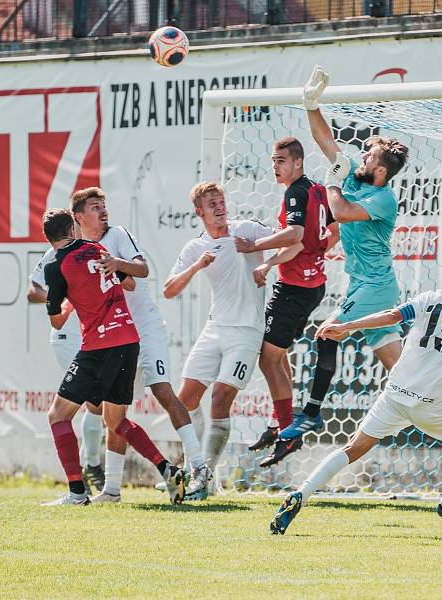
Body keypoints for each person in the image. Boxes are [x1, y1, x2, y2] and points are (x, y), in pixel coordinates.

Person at [270, 251, 442, 535]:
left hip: (395, 394)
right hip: (431, 406)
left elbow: (391, 315)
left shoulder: (429, 297)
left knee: (353, 448)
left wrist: (347, 326)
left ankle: (300, 495)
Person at [275, 65, 409, 449]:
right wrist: (311, 104)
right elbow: (325, 142)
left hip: (375, 288)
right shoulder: (355, 174)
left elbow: (342, 211)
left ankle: (312, 413)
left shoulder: (382, 198)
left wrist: (332, 181)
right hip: (365, 285)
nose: (361, 157)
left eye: (368, 157)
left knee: (326, 332)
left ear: (380, 171)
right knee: (401, 374)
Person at [164, 182, 303, 498]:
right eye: (211, 203)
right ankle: (197, 471)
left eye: (221, 200)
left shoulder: (248, 230)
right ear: (199, 212)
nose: (219, 206)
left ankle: (204, 477)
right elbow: (169, 290)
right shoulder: (195, 247)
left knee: (220, 397)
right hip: (214, 330)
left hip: (246, 332)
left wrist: (265, 261)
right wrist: (198, 266)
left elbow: (295, 243)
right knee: (184, 401)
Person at [39, 209, 185, 506]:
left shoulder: (55, 265)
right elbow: (129, 282)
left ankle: (77, 492)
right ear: (72, 227)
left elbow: (56, 321)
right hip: (129, 340)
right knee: (115, 420)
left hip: (99, 346)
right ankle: (167, 469)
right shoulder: (97, 248)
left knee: (57, 415)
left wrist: (70, 302)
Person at [71, 187, 208, 502]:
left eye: (104, 205)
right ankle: (112, 489)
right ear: (80, 216)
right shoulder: (79, 252)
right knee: (114, 415)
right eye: (95, 207)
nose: (103, 211)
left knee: (162, 390)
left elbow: (140, 272)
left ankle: (199, 467)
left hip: (145, 329)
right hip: (117, 337)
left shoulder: (117, 234)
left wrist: (115, 263)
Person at [235, 137, 340, 467]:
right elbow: (331, 233)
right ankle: (277, 422)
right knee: (277, 356)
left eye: (281, 160)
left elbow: (294, 236)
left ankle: (287, 432)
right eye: (273, 160)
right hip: (313, 285)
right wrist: (278, 262)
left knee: (267, 358)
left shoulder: (295, 192)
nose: (275, 166)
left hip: (295, 289)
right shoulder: (319, 190)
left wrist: (255, 248)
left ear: (298, 162)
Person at [28, 234, 106, 493]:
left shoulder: (97, 248)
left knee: (97, 404)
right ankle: (87, 469)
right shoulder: (56, 254)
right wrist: (64, 295)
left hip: (95, 336)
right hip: (67, 338)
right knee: (94, 402)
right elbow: (33, 291)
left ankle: (90, 465)